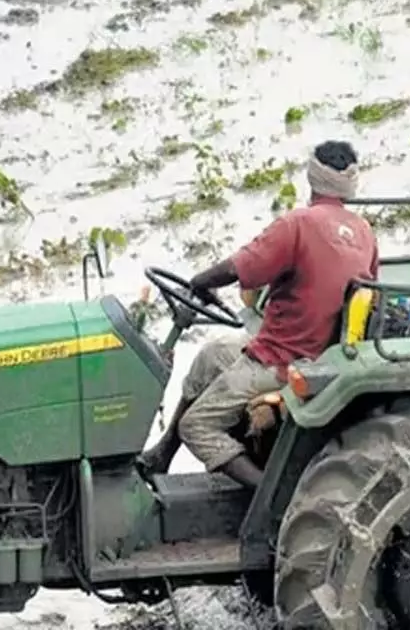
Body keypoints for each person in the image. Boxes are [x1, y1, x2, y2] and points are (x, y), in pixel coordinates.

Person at [135, 140, 379, 488]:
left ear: (312, 178)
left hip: (280, 361)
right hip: (317, 354)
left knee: (198, 426)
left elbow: (240, 266)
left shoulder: (297, 224)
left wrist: (199, 281)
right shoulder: (364, 232)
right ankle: (163, 454)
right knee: (209, 355)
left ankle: (271, 496)